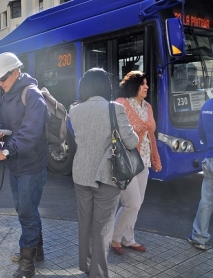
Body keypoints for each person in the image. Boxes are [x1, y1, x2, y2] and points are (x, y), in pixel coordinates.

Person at [69, 68, 138, 278]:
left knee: (85, 224)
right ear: (105, 87)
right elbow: (132, 141)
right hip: (109, 176)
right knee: (102, 228)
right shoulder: (115, 108)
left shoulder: (74, 110)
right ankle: (98, 274)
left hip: (81, 174)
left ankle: (86, 265)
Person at [0, 52, 50, 278]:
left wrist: (5, 151)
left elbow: (30, 134)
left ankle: (27, 266)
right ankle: (37, 252)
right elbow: (3, 119)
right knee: (26, 210)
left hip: (31, 166)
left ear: (16, 72)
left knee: (26, 213)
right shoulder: (7, 95)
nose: (1, 83)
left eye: (3, 78)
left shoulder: (31, 94)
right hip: (15, 165)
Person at [111, 70, 162, 255]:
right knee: (131, 203)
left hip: (144, 161)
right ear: (133, 85)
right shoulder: (120, 104)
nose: (146, 87)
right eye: (142, 84)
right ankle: (115, 238)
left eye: (147, 84)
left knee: (137, 204)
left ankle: (128, 238)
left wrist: (154, 156)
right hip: (127, 162)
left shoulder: (147, 106)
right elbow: (115, 134)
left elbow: (151, 134)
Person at [187, 94, 213, 251]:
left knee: (207, 200)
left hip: (210, 158)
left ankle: (199, 238)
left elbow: (200, 131)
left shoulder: (206, 106)